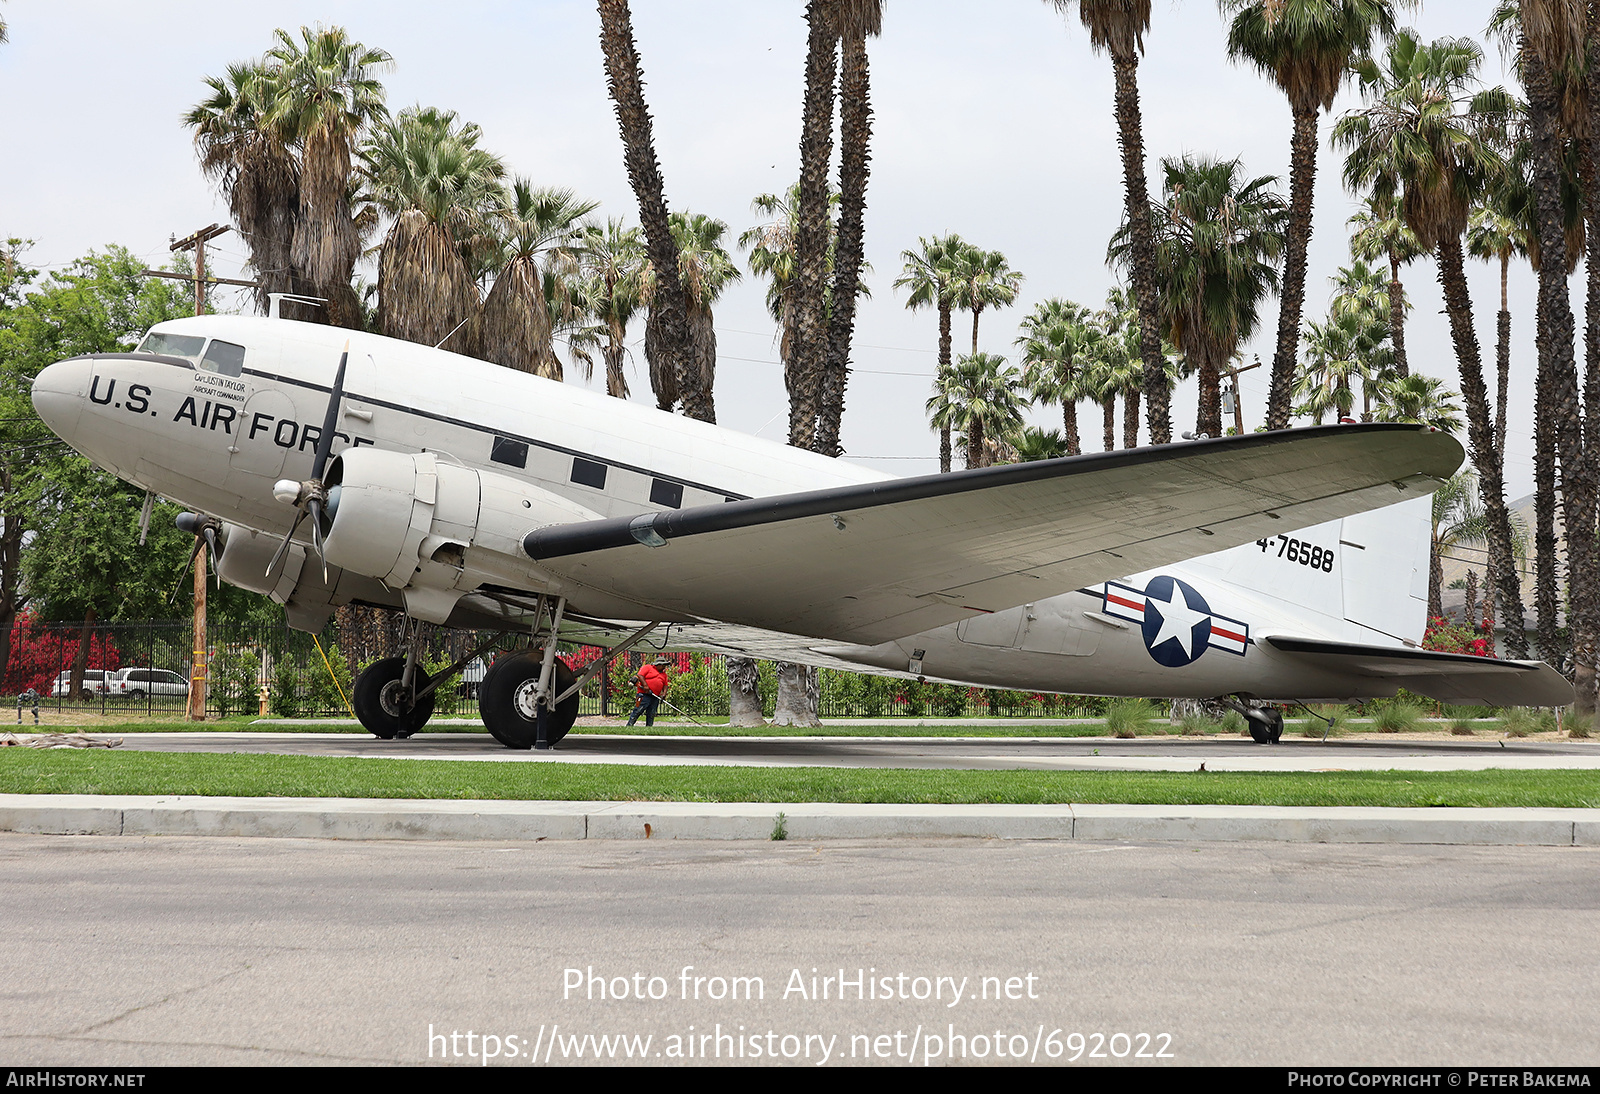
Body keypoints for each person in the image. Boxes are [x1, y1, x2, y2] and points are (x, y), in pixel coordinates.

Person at [626, 660, 671, 727]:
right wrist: (645, 686)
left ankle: (649, 727)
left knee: (651, 713)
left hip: (655, 696)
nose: (664, 667)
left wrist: (664, 694)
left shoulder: (663, 674)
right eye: (663, 665)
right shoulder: (647, 667)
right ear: (658, 665)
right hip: (642, 694)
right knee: (638, 710)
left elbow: (665, 685)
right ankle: (629, 725)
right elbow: (640, 676)